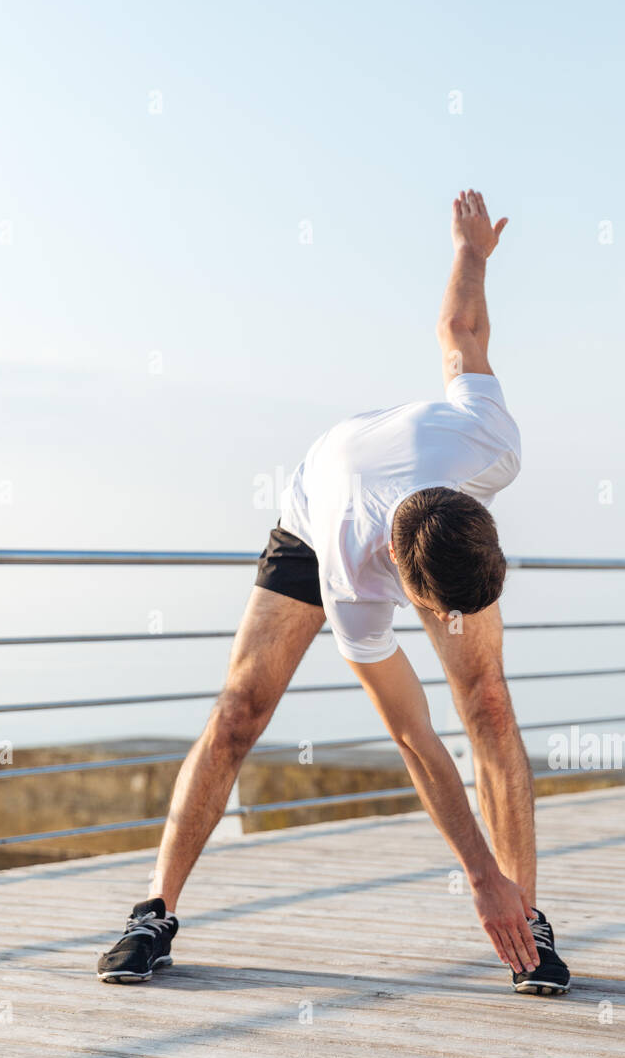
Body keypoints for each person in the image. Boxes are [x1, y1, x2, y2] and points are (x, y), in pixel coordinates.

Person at [98, 189, 570, 996]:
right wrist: (475, 875)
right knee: (241, 710)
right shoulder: (354, 577)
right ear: (405, 588)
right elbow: (416, 740)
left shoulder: (488, 443)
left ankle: (529, 925)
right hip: (317, 512)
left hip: (425, 526)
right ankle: (153, 912)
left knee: (488, 702)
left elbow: (460, 334)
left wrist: (471, 255)